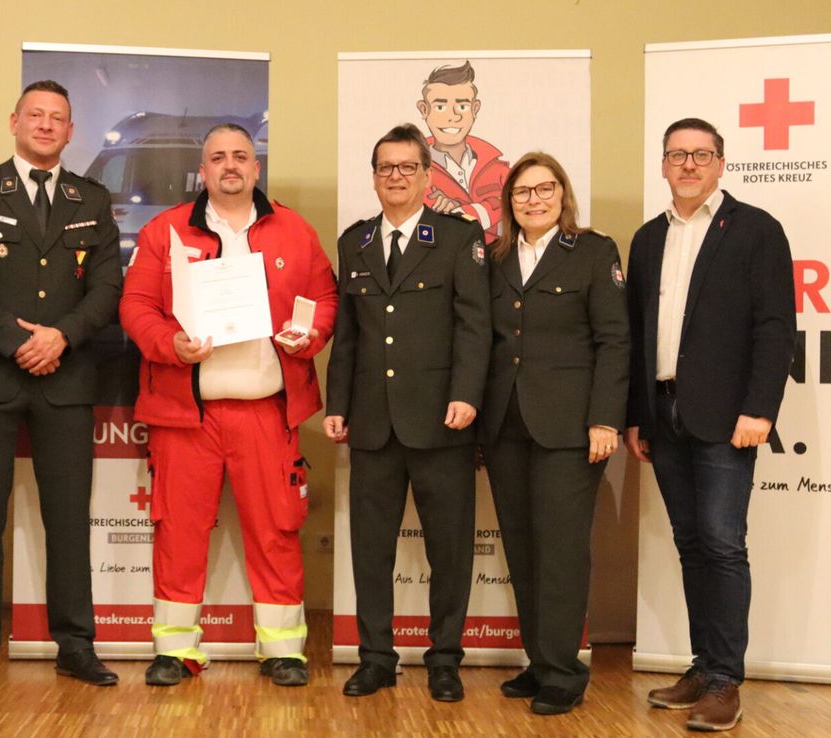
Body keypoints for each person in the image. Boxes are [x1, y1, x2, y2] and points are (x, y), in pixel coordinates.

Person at [120, 123, 337, 688]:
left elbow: (325, 298)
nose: (230, 165)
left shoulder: (294, 230)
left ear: (257, 167)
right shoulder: (164, 231)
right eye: (218, 157)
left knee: (276, 532)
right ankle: (176, 650)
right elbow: (136, 306)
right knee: (179, 534)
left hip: (266, 412)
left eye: (241, 156)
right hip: (186, 415)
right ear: (204, 169)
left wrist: (306, 337)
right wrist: (172, 345)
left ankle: (283, 651)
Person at [0, 80, 123, 691]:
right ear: (14, 120)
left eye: (59, 119)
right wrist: (18, 341)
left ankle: (75, 644)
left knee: (69, 518)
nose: (46, 126)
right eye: (36, 115)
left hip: (66, 377)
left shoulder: (92, 198)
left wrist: (60, 337)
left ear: (72, 132)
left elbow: (106, 288)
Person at [627, 118, 795, 732]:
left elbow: (775, 329)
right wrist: (638, 416)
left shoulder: (756, 231)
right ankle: (704, 666)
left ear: (722, 163)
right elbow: (639, 335)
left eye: (701, 154)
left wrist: (760, 410)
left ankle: (726, 681)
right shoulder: (648, 239)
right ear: (664, 165)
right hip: (664, 414)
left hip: (728, 419)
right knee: (692, 544)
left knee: (723, 545)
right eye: (678, 155)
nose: (689, 164)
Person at [324, 123, 490, 702]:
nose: (395, 177)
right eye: (385, 168)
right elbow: (347, 333)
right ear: (374, 177)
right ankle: (376, 658)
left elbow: (476, 326)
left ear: (426, 175)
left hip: (442, 420)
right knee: (371, 549)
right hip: (371, 421)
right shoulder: (355, 243)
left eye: (406, 167)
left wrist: (468, 394)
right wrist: (336, 403)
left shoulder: (456, 237)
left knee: (449, 547)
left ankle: (444, 658)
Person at [480, 152, 629, 715]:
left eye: (545, 189)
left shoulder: (593, 252)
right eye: (522, 192)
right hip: (504, 425)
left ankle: (565, 671)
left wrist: (605, 418)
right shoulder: (493, 258)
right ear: (509, 202)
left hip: (571, 428)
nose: (533, 200)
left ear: (563, 195)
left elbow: (614, 341)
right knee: (522, 548)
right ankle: (539, 662)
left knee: (561, 552)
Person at [415, 61, 510, 243]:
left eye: (463, 106)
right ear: (424, 109)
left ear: (475, 109)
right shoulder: (413, 172)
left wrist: (462, 211)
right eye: (440, 107)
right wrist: (492, 210)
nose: (453, 116)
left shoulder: (498, 169)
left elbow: (519, 214)